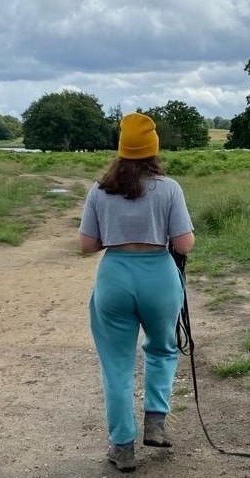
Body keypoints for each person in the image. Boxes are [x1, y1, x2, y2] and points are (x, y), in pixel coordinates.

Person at [79, 112, 195, 473]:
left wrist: (115, 230)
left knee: (116, 366)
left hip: (115, 276)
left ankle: (123, 446)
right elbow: (184, 243)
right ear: (154, 149)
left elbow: (86, 245)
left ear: (121, 149)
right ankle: (156, 421)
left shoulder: (100, 190)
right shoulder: (170, 188)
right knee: (161, 350)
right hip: (159, 276)